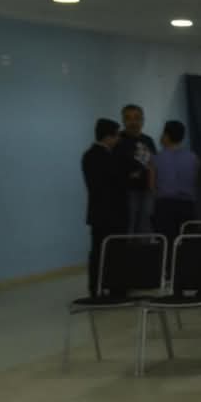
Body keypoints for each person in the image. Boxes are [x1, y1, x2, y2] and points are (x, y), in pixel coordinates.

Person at [81, 118, 126, 296]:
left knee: (98, 251)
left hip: (98, 212)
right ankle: (114, 287)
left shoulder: (88, 155)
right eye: (116, 135)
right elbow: (115, 182)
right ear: (108, 137)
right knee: (113, 251)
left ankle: (96, 288)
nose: (118, 139)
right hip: (112, 212)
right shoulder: (107, 157)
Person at [152, 120, 198, 242]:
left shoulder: (156, 158)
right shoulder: (194, 158)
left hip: (164, 206)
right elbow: (194, 181)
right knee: (186, 242)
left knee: (166, 243)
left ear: (166, 136)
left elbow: (151, 186)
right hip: (187, 205)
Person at [114, 103, 157, 232]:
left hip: (147, 191)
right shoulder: (117, 140)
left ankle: (143, 246)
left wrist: (153, 188)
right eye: (128, 118)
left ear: (142, 120)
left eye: (137, 118)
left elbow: (154, 164)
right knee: (128, 226)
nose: (133, 122)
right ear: (123, 120)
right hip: (126, 192)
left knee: (145, 227)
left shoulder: (148, 140)